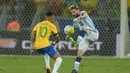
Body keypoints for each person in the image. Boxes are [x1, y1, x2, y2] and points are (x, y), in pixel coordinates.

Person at [67, 5, 99, 73]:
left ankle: (78, 42)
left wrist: (80, 17)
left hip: (93, 33)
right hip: (86, 37)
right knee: (79, 52)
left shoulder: (82, 13)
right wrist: (68, 35)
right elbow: (73, 29)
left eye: (74, 12)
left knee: (84, 27)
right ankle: (75, 70)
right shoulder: (74, 20)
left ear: (78, 10)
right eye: (71, 12)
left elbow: (85, 14)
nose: (73, 14)